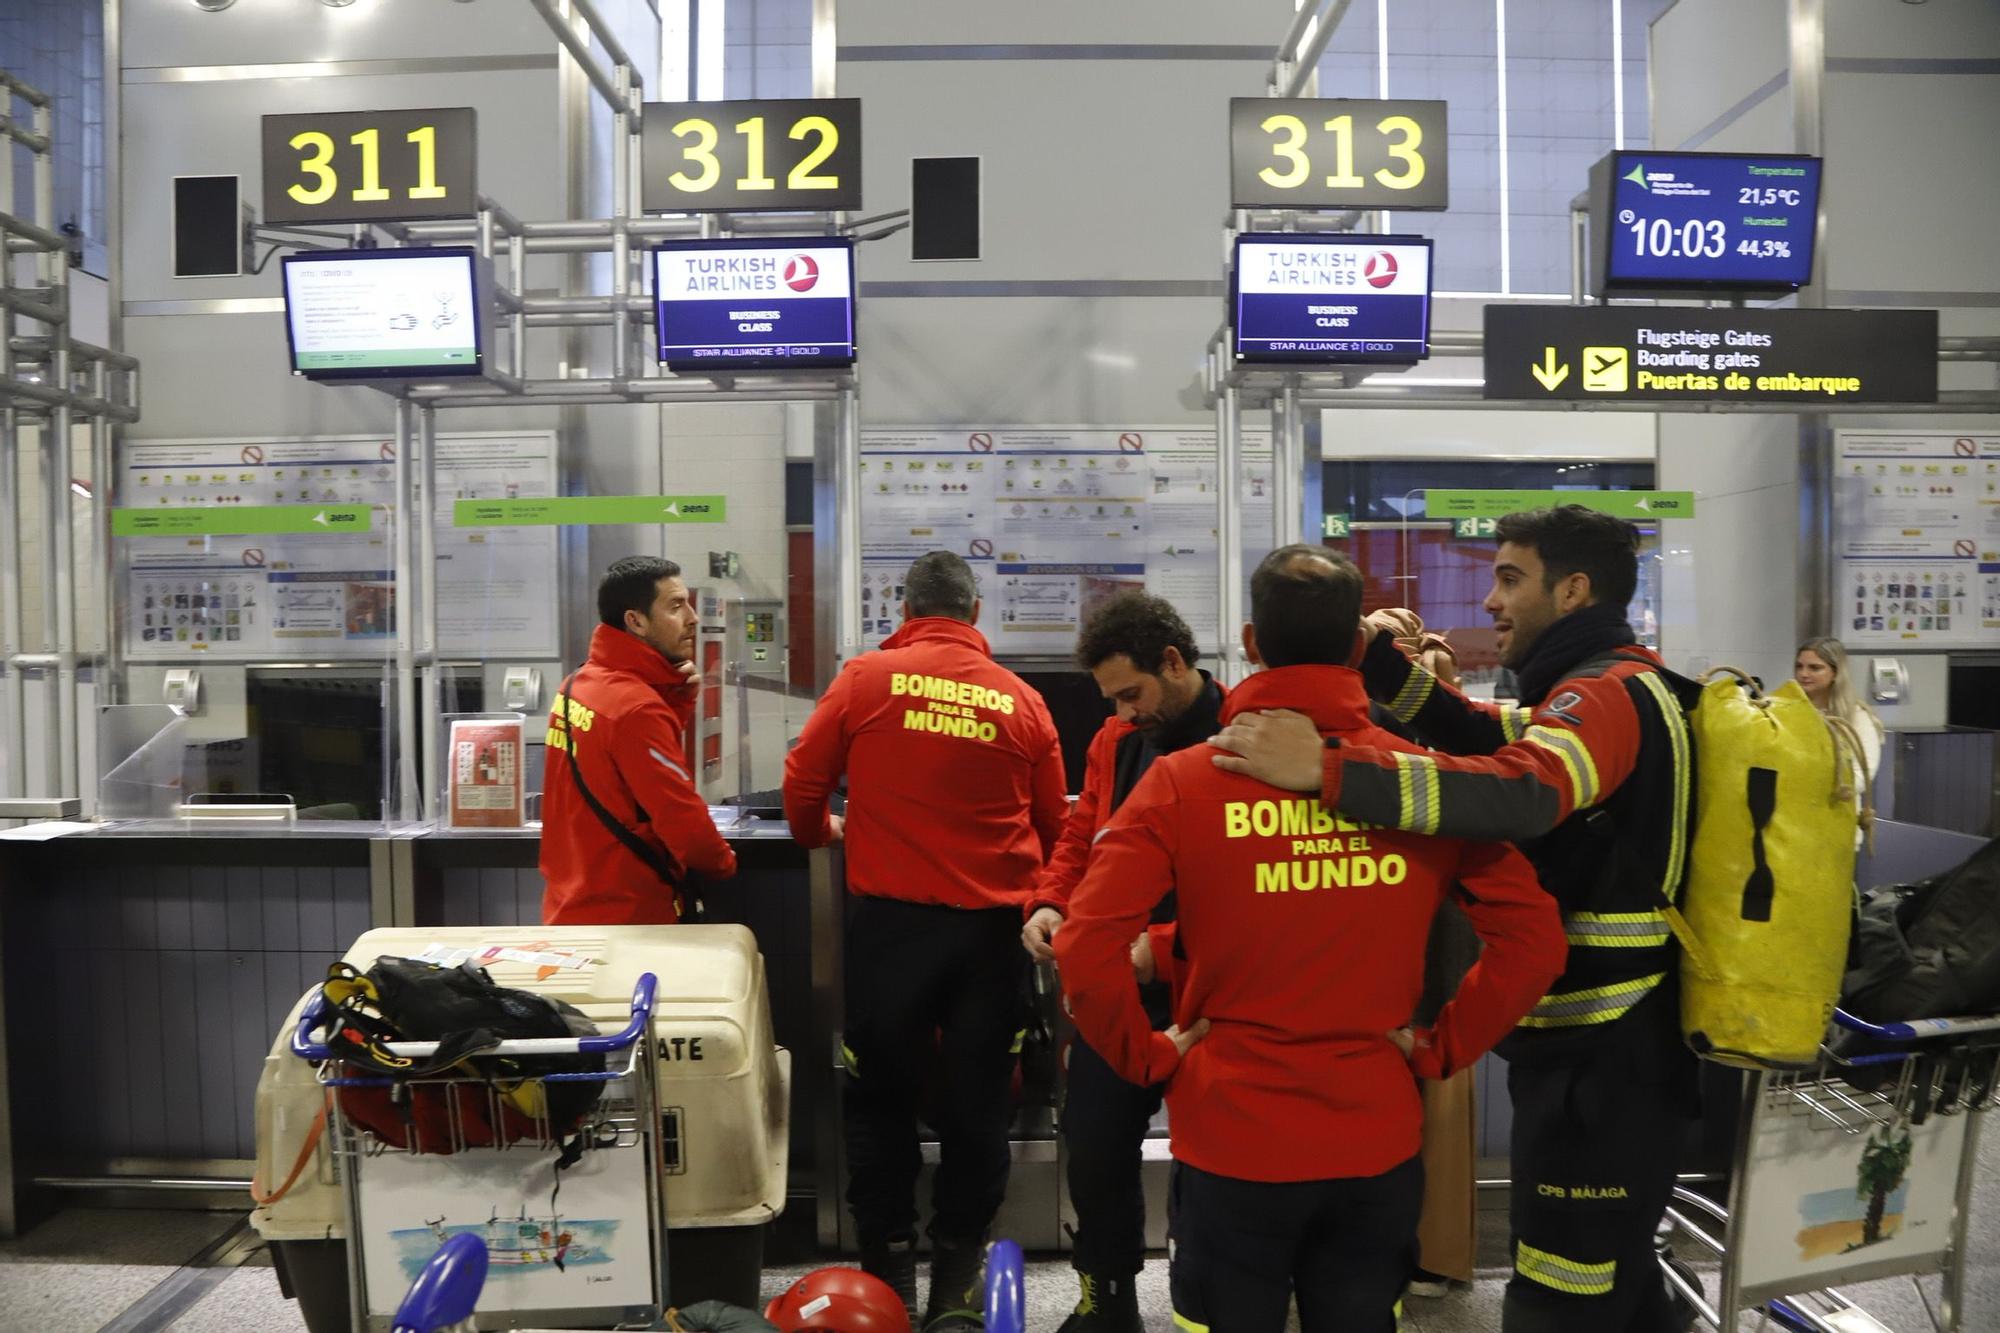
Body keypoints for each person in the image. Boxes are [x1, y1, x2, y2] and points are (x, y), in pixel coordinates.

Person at [1210, 506, 1702, 1333]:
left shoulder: (1604, 695)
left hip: (1607, 1058)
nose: (1489, 601)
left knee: (1563, 1291)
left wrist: (1328, 768)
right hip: (1604, 1048)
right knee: (1618, 1280)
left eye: (1511, 578)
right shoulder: (1598, 688)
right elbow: (1475, 734)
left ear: (1574, 589)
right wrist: (1374, 658)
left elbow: (1520, 791)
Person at [1055, 545, 1566, 1333]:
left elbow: (1085, 942)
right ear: (1357, 649)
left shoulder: (1185, 781)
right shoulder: (1416, 782)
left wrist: (1147, 1056)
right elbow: (1533, 941)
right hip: (1375, 1136)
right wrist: (1438, 1048)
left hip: (1231, 1139)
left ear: (1253, 642)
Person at [783, 550, 1068, 1328]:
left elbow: (803, 784)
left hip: (890, 932)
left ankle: (885, 1271)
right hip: (991, 938)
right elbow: (1055, 826)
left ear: (903, 613)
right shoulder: (1022, 700)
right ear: (975, 613)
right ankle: (958, 1275)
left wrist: (823, 830)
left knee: (880, 1097)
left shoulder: (864, 679)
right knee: (979, 1106)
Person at [1018, 591, 1226, 1331]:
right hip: (1117, 988)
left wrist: (1161, 949)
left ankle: (1209, 1298)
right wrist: (1049, 899)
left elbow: (1257, 890)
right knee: (1097, 1139)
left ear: (1174, 662)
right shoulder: (1116, 739)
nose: (1125, 710)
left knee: (1211, 1159)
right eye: (1112, 698)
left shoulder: (1241, 738)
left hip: (1209, 991)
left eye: (1132, 692)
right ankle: (1106, 1297)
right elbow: (1083, 834)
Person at [540, 556, 735, 924]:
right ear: (636, 621)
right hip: (630, 915)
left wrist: (674, 702)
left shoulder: (577, 685)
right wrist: (723, 862)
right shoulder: (636, 707)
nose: (693, 618)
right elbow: (682, 820)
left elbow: (623, 776)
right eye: (676, 606)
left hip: (570, 904)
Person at [1795, 635, 1885, 792]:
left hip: (1836, 809)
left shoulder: (1858, 718)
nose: (1804, 674)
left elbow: (1861, 776)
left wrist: (1811, 784)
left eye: (1814, 668)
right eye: (1799, 666)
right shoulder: (1788, 712)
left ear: (1835, 672)